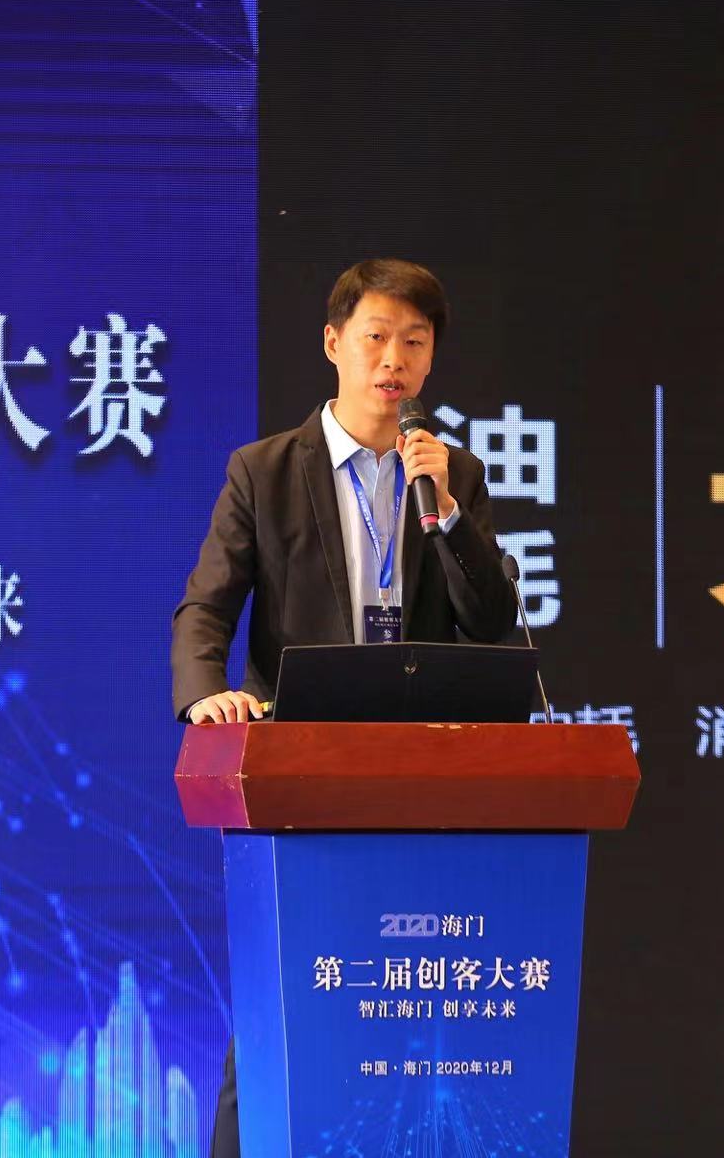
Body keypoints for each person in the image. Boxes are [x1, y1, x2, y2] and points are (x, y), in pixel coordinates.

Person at [170, 257, 518, 1156]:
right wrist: (207, 693)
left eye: (414, 342)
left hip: (421, 782)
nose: (392, 360)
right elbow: (206, 605)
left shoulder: (452, 472)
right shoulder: (264, 471)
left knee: (413, 1003)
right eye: (375, 337)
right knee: (283, 1002)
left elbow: (490, 620)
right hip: (303, 779)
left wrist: (447, 513)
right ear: (333, 344)